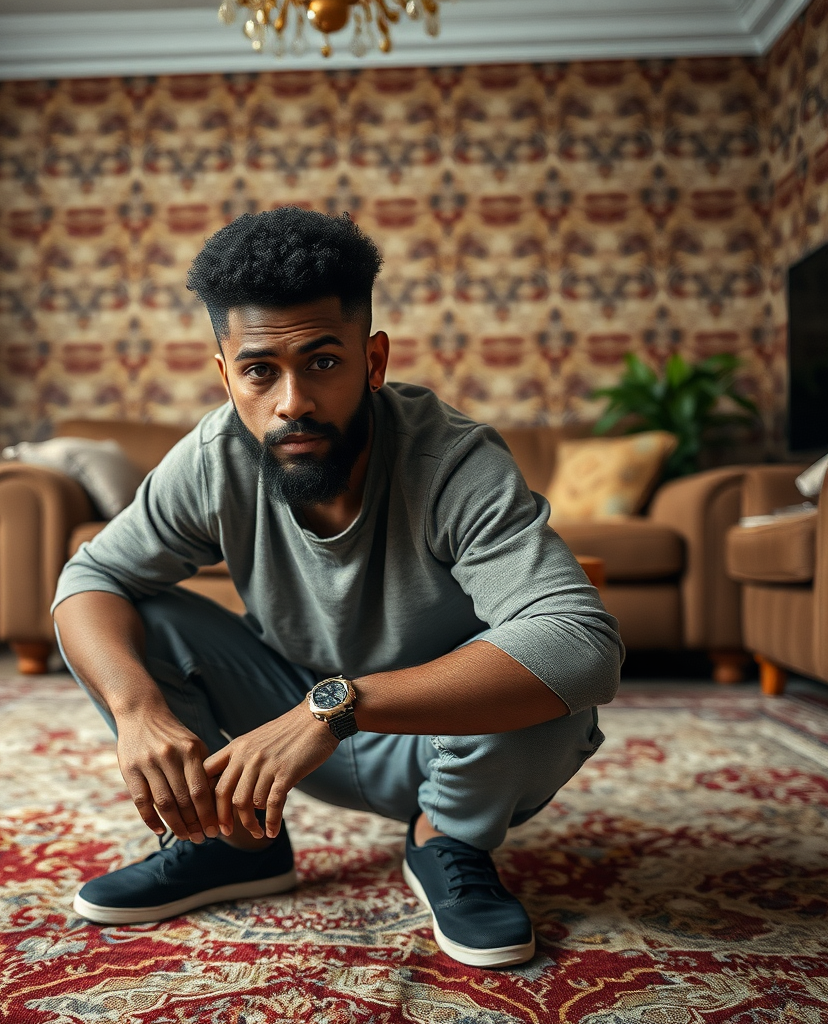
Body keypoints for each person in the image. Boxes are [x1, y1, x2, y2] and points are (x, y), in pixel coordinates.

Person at [52, 207, 622, 969]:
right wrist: (136, 710)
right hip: (279, 716)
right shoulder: (215, 456)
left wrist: (339, 707)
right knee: (128, 617)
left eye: (322, 362)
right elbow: (90, 577)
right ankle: (236, 844)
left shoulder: (452, 460)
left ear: (373, 360)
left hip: (437, 741)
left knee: (553, 685)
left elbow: (583, 643)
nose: (291, 402)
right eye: (260, 371)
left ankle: (445, 842)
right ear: (227, 377)